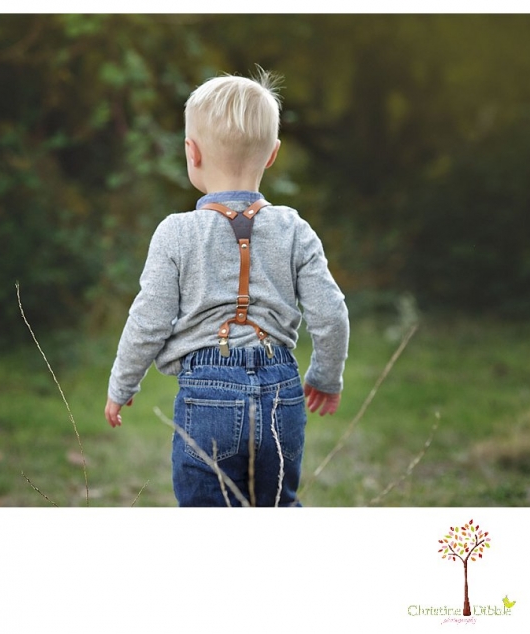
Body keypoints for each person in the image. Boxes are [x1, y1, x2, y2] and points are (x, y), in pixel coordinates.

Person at [105, 69, 349, 506]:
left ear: (191, 152)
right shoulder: (294, 229)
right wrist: (325, 377)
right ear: (273, 155)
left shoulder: (176, 233)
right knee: (277, 507)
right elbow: (330, 313)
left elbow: (148, 321)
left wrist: (122, 385)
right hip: (283, 392)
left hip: (207, 394)